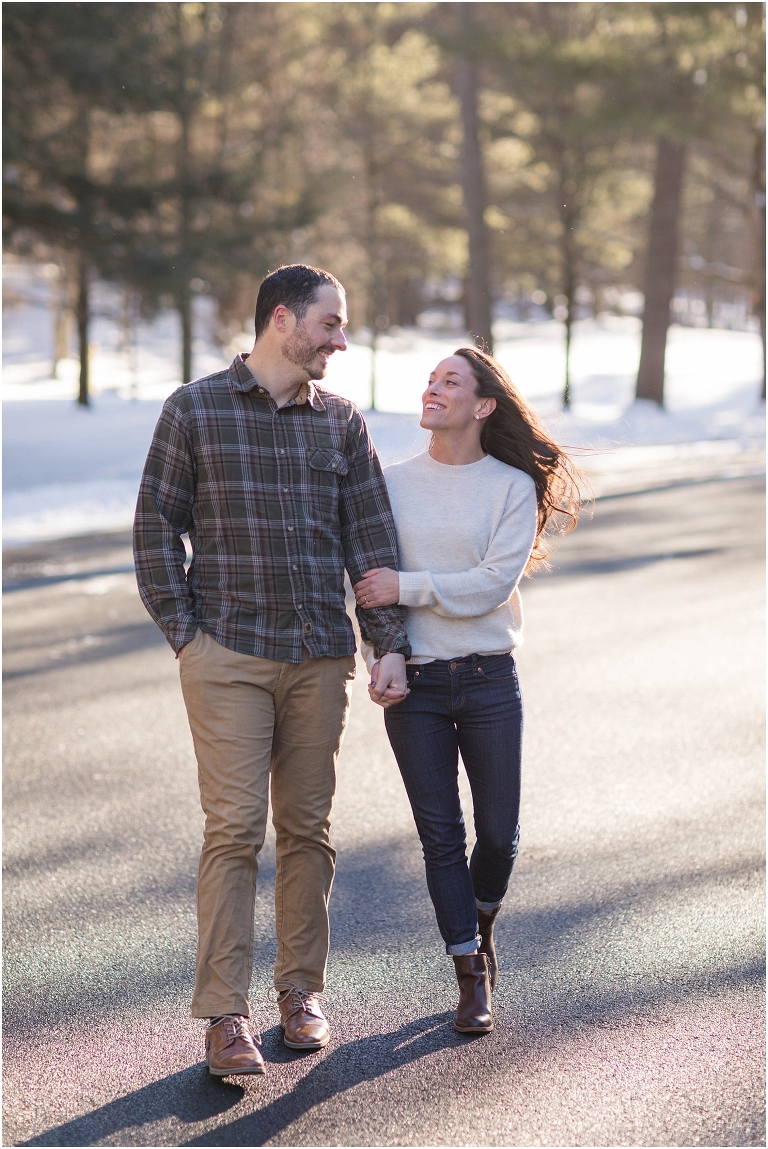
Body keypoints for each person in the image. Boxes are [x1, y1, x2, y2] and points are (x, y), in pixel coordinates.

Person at [134, 264, 410, 1076]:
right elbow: (155, 526)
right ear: (282, 320)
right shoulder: (195, 409)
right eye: (331, 323)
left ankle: (301, 991)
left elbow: (372, 542)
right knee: (234, 830)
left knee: (308, 830)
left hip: (319, 654)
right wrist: (188, 634)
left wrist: (382, 640)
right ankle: (224, 1015)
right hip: (228, 653)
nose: (341, 338)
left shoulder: (341, 424)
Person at [354, 346, 581, 1035]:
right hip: (415, 682)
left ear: (482, 405)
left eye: (450, 381)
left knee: (501, 836)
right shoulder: (389, 483)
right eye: (430, 379)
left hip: (487, 677)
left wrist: (410, 586)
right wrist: (385, 648)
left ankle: (482, 922)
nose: (433, 388)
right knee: (440, 836)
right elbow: (366, 583)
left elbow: (491, 586)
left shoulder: (510, 487)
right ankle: (469, 972)